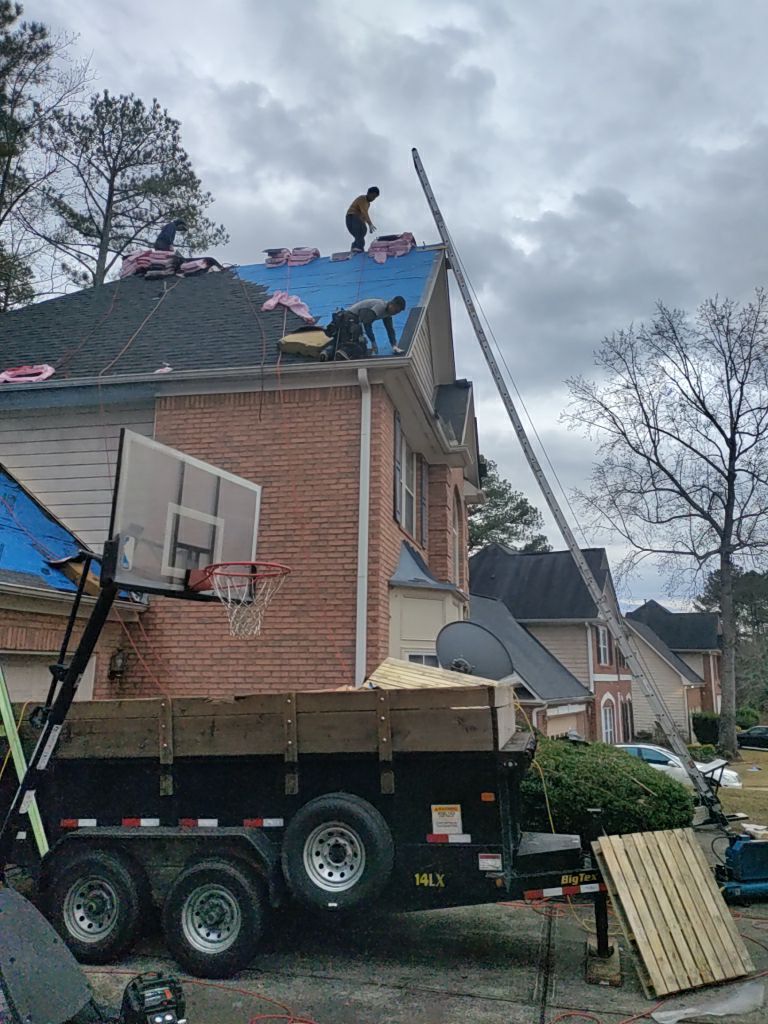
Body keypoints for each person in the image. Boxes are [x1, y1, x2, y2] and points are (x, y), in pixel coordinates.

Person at [346, 187, 379, 253]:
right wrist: (370, 223)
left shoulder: (368, 204)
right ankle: (358, 247)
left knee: (363, 230)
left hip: (357, 219)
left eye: (375, 197)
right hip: (352, 217)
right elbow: (364, 211)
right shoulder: (362, 198)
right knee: (360, 231)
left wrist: (367, 225)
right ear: (368, 193)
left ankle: (355, 246)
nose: (373, 199)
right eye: (373, 196)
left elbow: (363, 215)